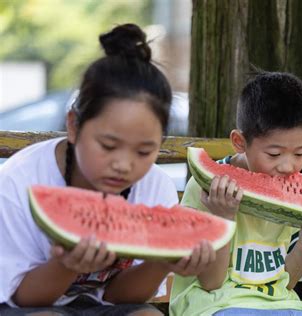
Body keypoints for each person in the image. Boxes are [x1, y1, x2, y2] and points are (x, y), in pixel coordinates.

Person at [0, 23, 215, 316]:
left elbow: (120, 298)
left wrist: (164, 260)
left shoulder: (155, 186)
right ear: (74, 126)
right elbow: (23, 298)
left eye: (143, 151)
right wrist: (66, 265)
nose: (124, 164)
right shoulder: (17, 182)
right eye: (108, 146)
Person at [170, 71, 302, 316]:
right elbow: (211, 283)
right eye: (274, 154)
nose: (287, 166)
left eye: (300, 153)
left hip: (284, 306)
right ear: (240, 142)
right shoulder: (207, 186)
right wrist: (223, 218)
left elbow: (286, 283)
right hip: (218, 306)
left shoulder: (296, 194)